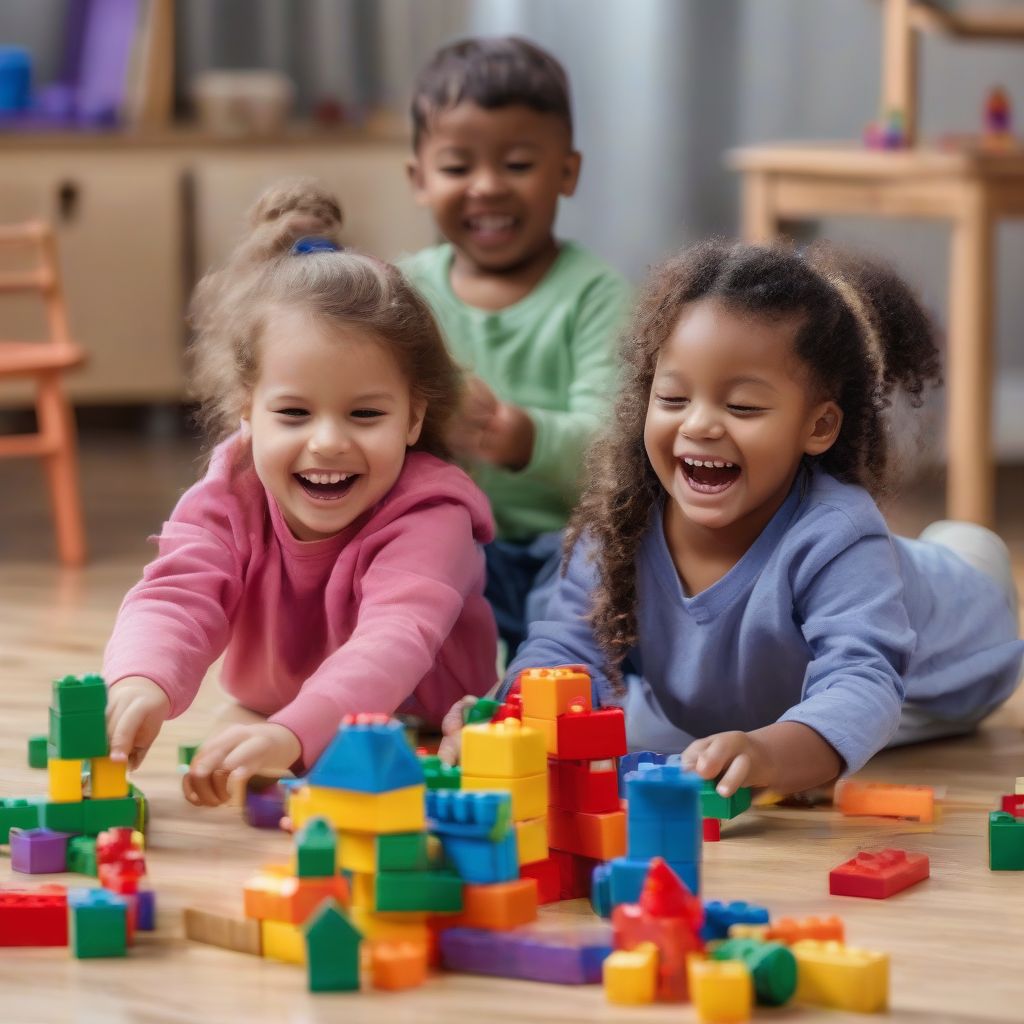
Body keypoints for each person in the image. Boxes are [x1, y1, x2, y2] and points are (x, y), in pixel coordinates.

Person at [444, 239, 1023, 794]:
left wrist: (769, 754)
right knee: (664, 733)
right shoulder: (621, 525)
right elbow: (564, 650)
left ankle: (970, 552)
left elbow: (862, 683)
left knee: (961, 565)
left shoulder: (837, 533)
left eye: (741, 406)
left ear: (818, 427)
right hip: (759, 699)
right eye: (673, 399)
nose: (699, 425)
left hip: (941, 662)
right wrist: (508, 718)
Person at [102, 179, 498, 806]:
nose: (328, 443)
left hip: (422, 731)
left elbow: (393, 643)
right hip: (274, 713)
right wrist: (139, 679)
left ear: (414, 419)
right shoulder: (229, 491)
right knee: (234, 779)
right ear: (246, 412)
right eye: (293, 414)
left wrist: (292, 733)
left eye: (366, 415)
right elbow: (177, 593)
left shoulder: (433, 515)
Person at [402, 36, 632, 660]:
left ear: (567, 172)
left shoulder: (594, 294)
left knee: (595, 590)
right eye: (457, 167)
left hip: (562, 545)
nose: (487, 187)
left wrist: (523, 436)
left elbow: (617, 447)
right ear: (419, 179)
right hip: (438, 537)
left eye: (518, 164)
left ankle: (541, 677)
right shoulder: (403, 294)